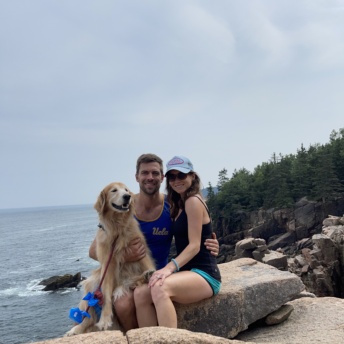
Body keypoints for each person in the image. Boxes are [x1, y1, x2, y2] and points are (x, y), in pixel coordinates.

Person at [89, 153, 219, 331]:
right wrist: (126, 256)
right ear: (137, 177)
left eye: (155, 173)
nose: (150, 178)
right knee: (123, 304)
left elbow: (195, 235)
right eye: (145, 173)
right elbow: (93, 251)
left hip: (159, 272)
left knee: (143, 295)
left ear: (161, 177)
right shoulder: (123, 204)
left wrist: (211, 242)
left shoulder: (172, 205)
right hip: (130, 275)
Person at [134, 155, 221, 328]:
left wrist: (168, 268)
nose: (177, 180)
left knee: (160, 287)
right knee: (140, 293)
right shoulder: (177, 203)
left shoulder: (193, 201)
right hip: (188, 271)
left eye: (181, 175)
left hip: (204, 274)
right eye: (172, 176)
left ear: (192, 176)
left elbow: (195, 245)